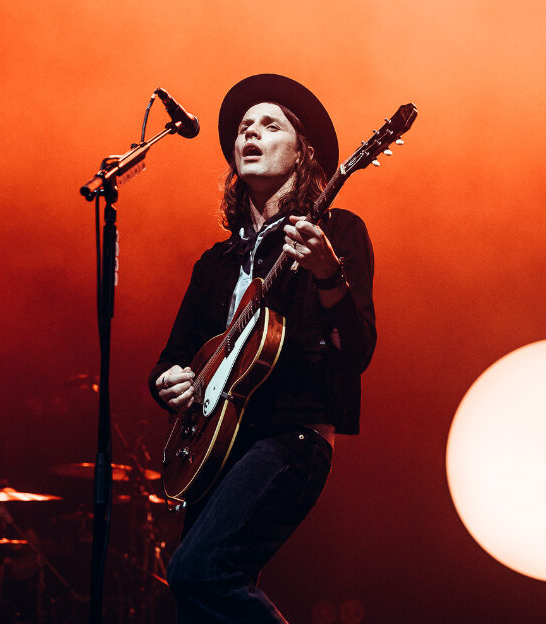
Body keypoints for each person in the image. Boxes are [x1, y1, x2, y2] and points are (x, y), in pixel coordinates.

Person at [148, 74, 376, 623]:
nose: (250, 134)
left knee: (198, 571)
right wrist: (169, 384)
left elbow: (358, 351)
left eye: (270, 126)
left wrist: (328, 278)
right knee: (192, 603)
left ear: (303, 153)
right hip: (213, 447)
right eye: (244, 128)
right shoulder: (215, 263)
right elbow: (170, 359)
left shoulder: (335, 230)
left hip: (288, 438)